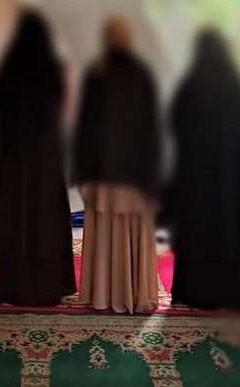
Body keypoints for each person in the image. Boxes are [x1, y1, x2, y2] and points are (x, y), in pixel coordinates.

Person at [72, 16, 161, 313]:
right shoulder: (141, 74)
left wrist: (82, 171)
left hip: (103, 175)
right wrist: (152, 177)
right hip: (134, 177)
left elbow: (86, 129)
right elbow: (151, 130)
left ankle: (103, 294)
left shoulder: (97, 73)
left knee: (107, 233)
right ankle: (133, 293)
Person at [0, 10, 76, 306]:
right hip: (45, 161)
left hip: (15, 161)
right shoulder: (51, 69)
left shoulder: (9, 68)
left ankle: (16, 288)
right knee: (45, 218)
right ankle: (47, 287)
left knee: (17, 217)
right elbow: (58, 111)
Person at [165, 29, 240, 310]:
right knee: (225, 230)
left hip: (195, 177)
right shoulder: (235, 84)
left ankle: (192, 292)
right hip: (228, 178)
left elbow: (175, 121)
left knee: (195, 232)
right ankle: (223, 292)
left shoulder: (191, 84)